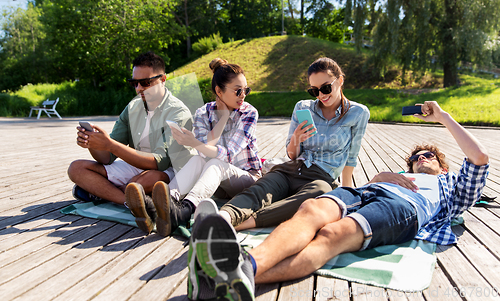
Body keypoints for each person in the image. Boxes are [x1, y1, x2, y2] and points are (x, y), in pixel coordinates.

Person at [189, 101, 489, 301]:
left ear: (443, 166)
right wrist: (382, 175)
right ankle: (227, 279)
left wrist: (442, 117)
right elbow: (364, 184)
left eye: (429, 156)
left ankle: (244, 270)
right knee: (311, 209)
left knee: (333, 234)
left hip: (404, 209)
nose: (421, 159)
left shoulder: (451, 186)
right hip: (366, 192)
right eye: (415, 157)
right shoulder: (396, 174)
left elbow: (479, 158)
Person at [216, 57, 370, 231]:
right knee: (259, 190)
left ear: (340, 80)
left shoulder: (358, 113)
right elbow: (292, 155)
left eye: (326, 88)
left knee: (320, 193)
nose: (321, 95)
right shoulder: (303, 107)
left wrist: (347, 193)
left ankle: (243, 224)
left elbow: (351, 157)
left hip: (321, 178)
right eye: (314, 91)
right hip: (291, 169)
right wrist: (297, 138)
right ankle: (223, 217)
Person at [125, 58, 262, 237]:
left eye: (246, 90)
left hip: (246, 179)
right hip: (215, 185)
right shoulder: (203, 113)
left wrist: (196, 142)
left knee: (215, 163)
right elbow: (203, 151)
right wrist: (222, 118)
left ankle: (184, 211)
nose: (243, 95)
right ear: (219, 91)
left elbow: (227, 155)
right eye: (238, 91)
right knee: (197, 159)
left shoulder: (248, 113)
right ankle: (166, 204)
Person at [67, 51, 196, 208]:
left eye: (145, 82)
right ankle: (129, 201)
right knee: (76, 168)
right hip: (137, 165)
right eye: (134, 83)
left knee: (141, 182)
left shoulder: (178, 113)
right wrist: (93, 144)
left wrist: (110, 145)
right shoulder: (133, 107)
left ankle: (109, 192)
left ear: (163, 79)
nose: (139, 88)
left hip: (171, 170)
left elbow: (160, 163)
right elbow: (107, 157)